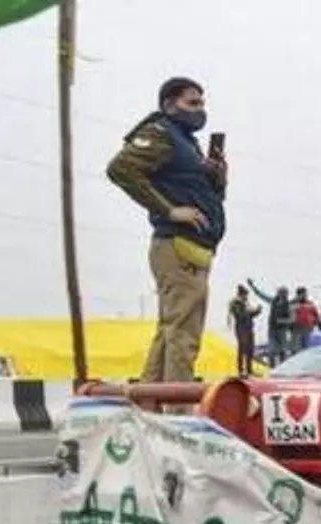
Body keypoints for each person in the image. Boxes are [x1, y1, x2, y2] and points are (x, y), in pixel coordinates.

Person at [106, 76, 226, 383]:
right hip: (178, 246)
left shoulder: (188, 144)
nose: (200, 110)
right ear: (169, 105)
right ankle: (179, 412)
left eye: (202, 103)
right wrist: (171, 210)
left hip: (193, 248)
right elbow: (121, 169)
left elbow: (202, 195)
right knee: (183, 337)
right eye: (192, 103)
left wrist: (216, 177)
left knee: (170, 332)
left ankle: (151, 402)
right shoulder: (161, 133)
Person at [226, 285, 261, 376]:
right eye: (245, 295)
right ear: (241, 294)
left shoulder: (245, 303)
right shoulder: (236, 303)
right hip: (241, 328)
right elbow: (240, 316)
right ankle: (240, 370)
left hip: (249, 327)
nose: (246, 297)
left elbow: (249, 315)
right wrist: (250, 312)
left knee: (250, 349)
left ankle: (249, 369)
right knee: (242, 348)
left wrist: (257, 311)